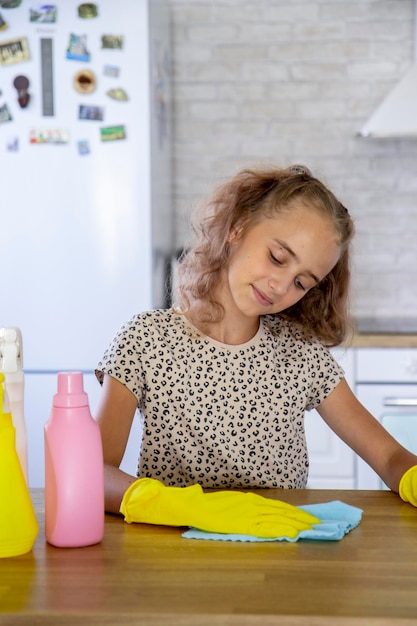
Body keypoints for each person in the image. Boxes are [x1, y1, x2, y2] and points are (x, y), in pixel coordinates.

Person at [95, 164, 417, 535]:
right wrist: (183, 505)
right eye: (278, 258)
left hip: (279, 556)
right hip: (174, 558)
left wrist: (410, 477)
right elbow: (93, 473)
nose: (280, 286)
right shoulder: (145, 340)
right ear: (239, 227)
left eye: (301, 282)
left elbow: (390, 457)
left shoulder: (302, 354)